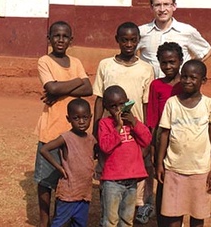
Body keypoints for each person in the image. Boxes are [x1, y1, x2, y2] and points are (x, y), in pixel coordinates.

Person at [92, 21, 154, 222]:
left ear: (138, 41)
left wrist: (145, 134)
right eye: (124, 40)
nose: (129, 44)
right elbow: (99, 100)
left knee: (133, 185)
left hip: (134, 135)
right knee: (108, 177)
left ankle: (133, 217)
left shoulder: (146, 69)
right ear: (117, 40)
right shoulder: (106, 65)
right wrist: (95, 134)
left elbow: (146, 105)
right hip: (110, 132)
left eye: (133, 40)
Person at [35, 20, 93, 227]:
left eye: (65, 36)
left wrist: (60, 89)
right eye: (56, 36)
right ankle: (44, 220)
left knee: (69, 175)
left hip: (74, 131)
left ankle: (65, 216)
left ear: (71, 40)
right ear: (49, 39)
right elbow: (51, 87)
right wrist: (76, 82)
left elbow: (88, 89)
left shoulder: (76, 62)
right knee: (45, 179)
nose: (60, 40)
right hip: (51, 126)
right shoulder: (45, 61)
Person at [156, 60, 211, 227]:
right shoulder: (172, 103)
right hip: (174, 168)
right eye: (184, 77)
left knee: (197, 216)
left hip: (200, 170)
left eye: (193, 77)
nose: (187, 81)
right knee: (173, 217)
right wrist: (159, 163)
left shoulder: (209, 105)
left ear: (203, 81)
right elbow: (164, 134)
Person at [97, 85, 152, 227]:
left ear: (127, 102)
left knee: (127, 219)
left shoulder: (134, 122)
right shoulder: (105, 124)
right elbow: (105, 146)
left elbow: (146, 140)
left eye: (121, 104)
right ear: (107, 108)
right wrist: (118, 127)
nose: (118, 109)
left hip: (131, 180)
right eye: (113, 106)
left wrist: (133, 123)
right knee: (110, 220)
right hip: (112, 182)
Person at [40, 98, 96, 227]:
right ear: (68, 118)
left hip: (84, 193)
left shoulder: (91, 139)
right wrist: (59, 167)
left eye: (85, 117)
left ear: (91, 117)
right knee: (59, 222)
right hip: (68, 193)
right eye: (76, 118)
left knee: (80, 223)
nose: (81, 122)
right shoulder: (66, 138)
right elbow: (44, 149)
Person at [146, 42, 184, 226]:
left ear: (181, 61)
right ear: (158, 62)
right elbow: (152, 118)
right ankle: (162, 220)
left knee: (181, 179)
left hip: (183, 138)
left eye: (172, 62)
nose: (168, 66)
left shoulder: (187, 83)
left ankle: (178, 219)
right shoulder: (156, 85)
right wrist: (153, 147)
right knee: (163, 180)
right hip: (162, 139)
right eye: (164, 62)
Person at [138, 0, 211, 79]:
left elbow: (206, 51)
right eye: (157, 5)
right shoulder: (141, 32)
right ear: (151, 8)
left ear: (174, 6)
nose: (162, 9)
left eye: (166, 4)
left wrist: (188, 69)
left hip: (178, 88)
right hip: (151, 86)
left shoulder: (187, 31)